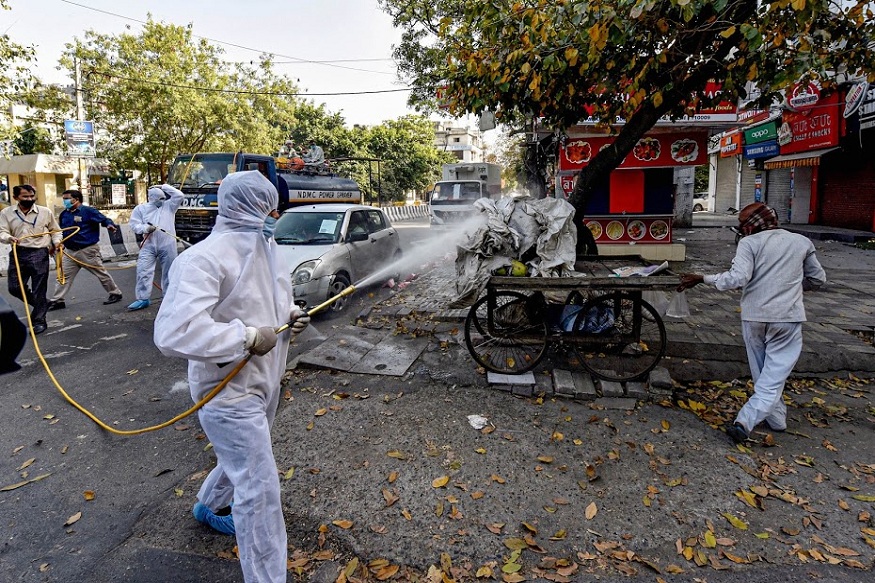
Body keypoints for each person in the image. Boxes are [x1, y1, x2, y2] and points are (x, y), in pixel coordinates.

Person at [153, 171, 310, 583]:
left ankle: (207, 505)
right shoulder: (203, 258)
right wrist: (242, 337)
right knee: (259, 490)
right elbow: (174, 332)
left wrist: (291, 317)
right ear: (248, 207)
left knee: (243, 458)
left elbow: (276, 300)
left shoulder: (269, 247)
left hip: (265, 380)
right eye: (269, 206)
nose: (276, 213)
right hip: (226, 392)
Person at [677, 202, 826, 443]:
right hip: (788, 317)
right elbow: (817, 279)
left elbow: (737, 278)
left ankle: (747, 421)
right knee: (773, 375)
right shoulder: (801, 242)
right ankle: (773, 419)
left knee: (763, 374)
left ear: (754, 224)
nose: (740, 230)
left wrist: (703, 278)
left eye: (742, 224)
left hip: (754, 316)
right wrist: (792, 289)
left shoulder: (749, 243)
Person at [0, 184, 62, 334]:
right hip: (18, 252)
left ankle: (39, 320)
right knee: (14, 288)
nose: (29, 199)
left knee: (39, 288)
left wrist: (57, 242)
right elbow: (2, 231)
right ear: (15, 198)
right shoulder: (6, 213)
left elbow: (55, 230)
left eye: (31, 196)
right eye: (25, 197)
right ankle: (41, 304)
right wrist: (9, 237)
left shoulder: (45, 212)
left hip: (39, 253)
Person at [47, 189, 123, 310]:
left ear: (76, 199)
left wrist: (109, 225)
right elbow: (60, 232)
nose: (64, 201)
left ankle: (115, 293)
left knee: (100, 273)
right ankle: (58, 300)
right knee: (63, 276)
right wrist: (54, 245)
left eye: (67, 198)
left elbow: (104, 220)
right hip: (70, 251)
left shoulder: (88, 211)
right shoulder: (64, 214)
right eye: (64, 199)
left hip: (87, 250)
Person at [127, 184, 184, 311]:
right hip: (149, 245)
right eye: (159, 199)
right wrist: (146, 228)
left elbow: (179, 195)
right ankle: (142, 298)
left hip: (168, 244)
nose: (162, 201)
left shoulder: (169, 206)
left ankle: (168, 298)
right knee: (143, 271)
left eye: (163, 198)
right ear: (151, 198)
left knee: (169, 272)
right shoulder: (141, 209)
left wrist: (163, 186)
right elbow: (134, 225)